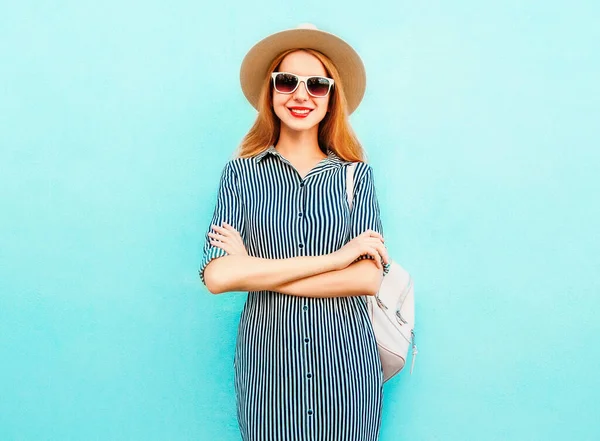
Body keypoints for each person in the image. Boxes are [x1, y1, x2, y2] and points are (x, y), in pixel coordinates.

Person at [199, 23, 390, 441]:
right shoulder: (241, 174)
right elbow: (216, 276)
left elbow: (368, 278)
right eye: (287, 81)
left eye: (316, 85)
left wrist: (253, 268)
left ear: (331, 97)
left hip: (347, 369)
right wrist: (337, 260)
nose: (300, 95)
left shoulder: (356, 177)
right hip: (266, 369)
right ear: (271, 91)